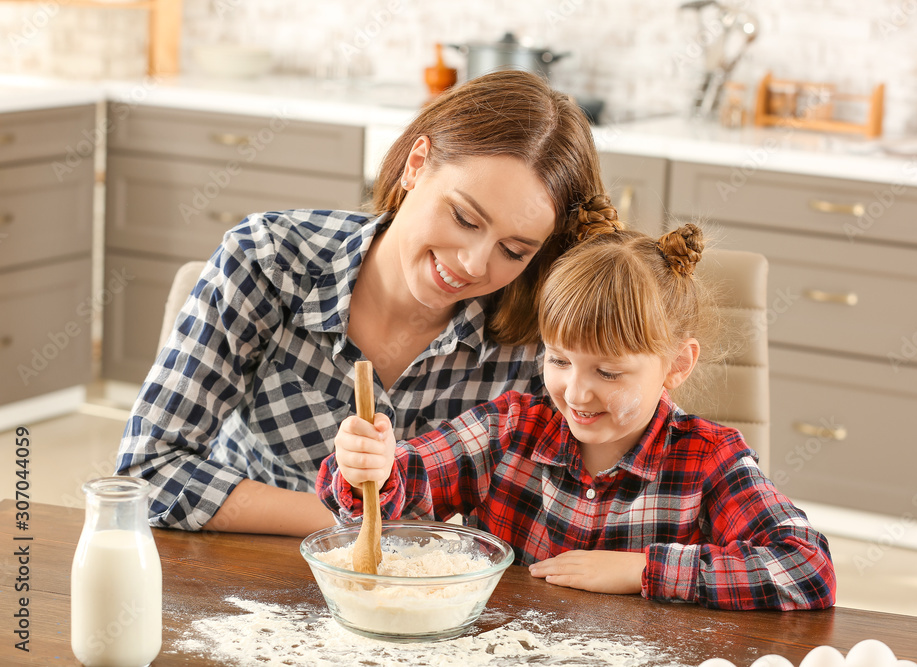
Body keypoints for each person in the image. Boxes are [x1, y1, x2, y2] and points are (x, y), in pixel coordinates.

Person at [116, 69, 610, 537]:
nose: (475, 264)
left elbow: (590, 497)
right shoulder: (268, 259)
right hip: (243, 560)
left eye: (513, 250)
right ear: (417, 165)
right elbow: (148, 470)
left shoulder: (543, 334)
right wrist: (356, 521)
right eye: (464, 217)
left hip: (424, 588)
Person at [318, 220, 837, 610]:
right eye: (560, 360)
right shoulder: (510, 429)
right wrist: (372, 467)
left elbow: (808, 568)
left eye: (608, 373)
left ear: (677, 365)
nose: (577, 393)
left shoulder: (709, 460)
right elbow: (403, 484)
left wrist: (641, 570)